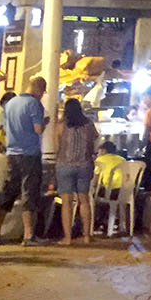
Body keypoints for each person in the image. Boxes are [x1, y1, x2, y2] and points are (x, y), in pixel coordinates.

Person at [0, 76, 48, 246]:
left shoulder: (11, 104)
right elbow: (38, 130)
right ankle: (28, 235)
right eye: (43, 91)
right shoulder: (34, 104)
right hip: (29, 154)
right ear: (39, 89)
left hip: (12, 153)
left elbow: (6, 127)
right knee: (29, 193)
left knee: (8, 191)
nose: (42, 95)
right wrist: (45, 122)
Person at [55, 97, 98, 245]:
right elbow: (93, 143)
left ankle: (67, 238)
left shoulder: (61, 125)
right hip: (84, 165)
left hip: (65, 165)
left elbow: (57, 145)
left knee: (66, 202)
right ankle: (86, 236)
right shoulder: (89, 125)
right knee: (84, 200)